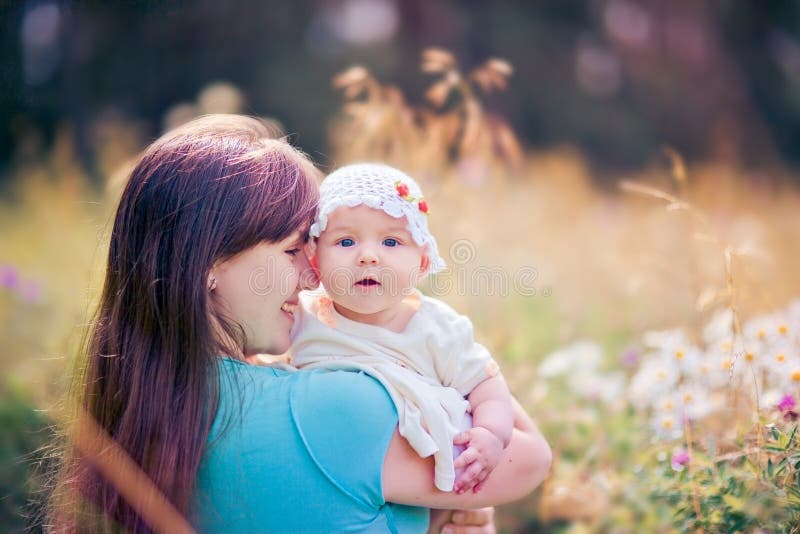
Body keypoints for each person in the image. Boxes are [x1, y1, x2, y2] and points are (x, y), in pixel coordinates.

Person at [47, 114, 551, 533]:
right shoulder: (338, 407)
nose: (315, 277)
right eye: (294, 250)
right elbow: (530, 458)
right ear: (209, 266)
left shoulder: (138, 410)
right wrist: (429, 332)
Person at [290, 163, 513, 494]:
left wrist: (491, 434)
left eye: (391, 242)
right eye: (346, 241)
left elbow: (487, 386)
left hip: (428, 481)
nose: (368, 256)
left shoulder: (438, 329)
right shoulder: (303, 317)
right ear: (315, 259)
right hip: (335, 473)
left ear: (422, 262)